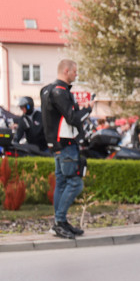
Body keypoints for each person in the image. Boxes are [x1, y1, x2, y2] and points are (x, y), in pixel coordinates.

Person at [40, 59, 91, 238]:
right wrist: (87, 110)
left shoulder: (46, 90)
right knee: (75, 184)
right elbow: (71, 117)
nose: (76, 75)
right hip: (66, 144)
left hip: (56, 145)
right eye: (75, 72)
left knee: (61, 183)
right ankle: (59, 222)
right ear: (67, 71)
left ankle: (60, 223)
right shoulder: (60, 91)